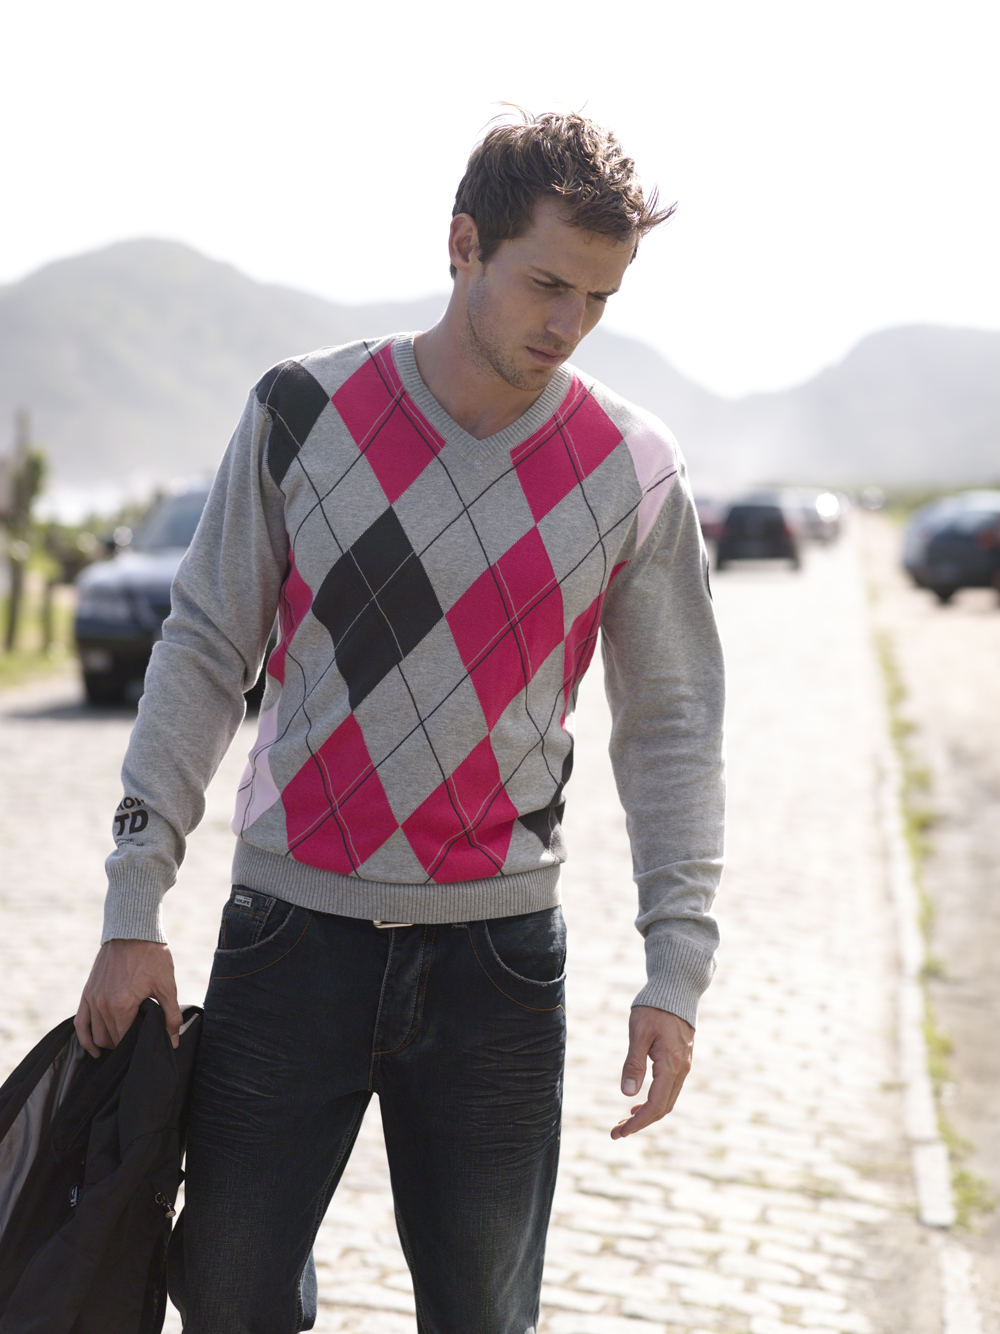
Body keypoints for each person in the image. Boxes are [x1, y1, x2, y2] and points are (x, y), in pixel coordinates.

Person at [75, 109, 725, 1334]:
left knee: (482, 1314)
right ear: (462, 244)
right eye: (547, 284)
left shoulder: (634, 468)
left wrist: (675, 965)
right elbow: (203, 649)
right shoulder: (299, 411)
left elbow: (673, 725)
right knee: (225, 1295)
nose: (569, 324)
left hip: (497, 962)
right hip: (290, 936)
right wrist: (132, 903)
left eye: (598, 298)